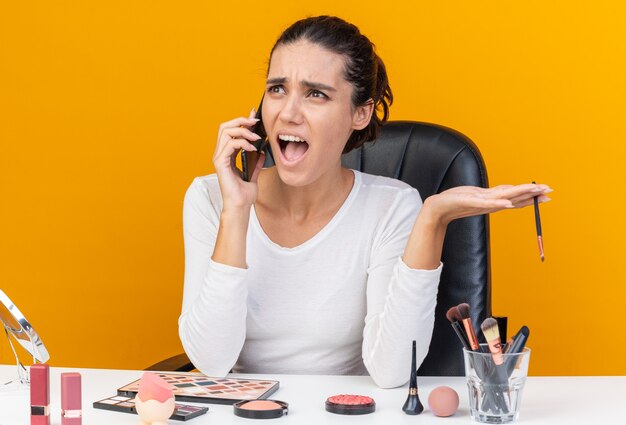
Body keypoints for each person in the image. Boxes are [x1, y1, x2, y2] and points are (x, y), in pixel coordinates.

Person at [178, 16, 551, 389]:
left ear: (361, 113)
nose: (287, 113)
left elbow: (391, 372)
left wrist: (432, 218)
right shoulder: (211, 198)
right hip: (246, 412)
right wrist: (237, 211)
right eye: (277, 89)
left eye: (316, 94)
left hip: (350, 412)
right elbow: (211, 361)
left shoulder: (392, 206)